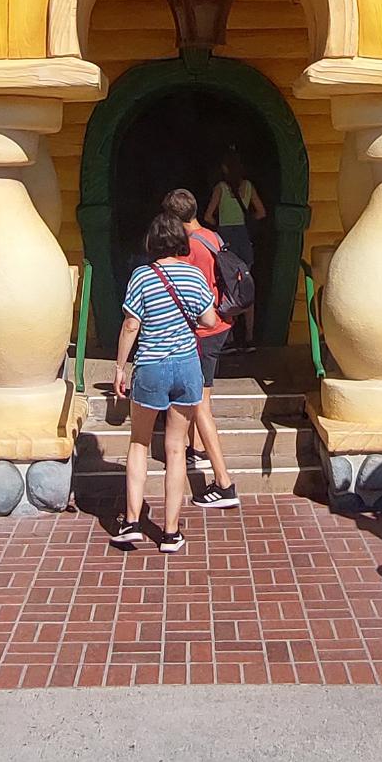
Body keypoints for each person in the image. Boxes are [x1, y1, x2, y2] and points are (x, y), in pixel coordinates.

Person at [109, 212, 214, 551]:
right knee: (176, 448)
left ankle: (132, 521)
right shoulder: (194, 275)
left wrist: (120, 367)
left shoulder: (142, 276)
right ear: (181, 241)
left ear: (151, 242)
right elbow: (209, 320)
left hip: (151, 366)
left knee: (139, 442)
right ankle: (170, 532)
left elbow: (131, 325)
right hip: (186, 365)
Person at [163, 189, 241, 510]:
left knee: (200, 404)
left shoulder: (190, 247)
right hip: (220, 325)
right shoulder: (212, 236)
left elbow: (183, 288)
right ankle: (196, 448)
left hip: (202, 330)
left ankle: (224, 483)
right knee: (202, 394)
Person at [205, 152, 266, 350]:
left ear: (224, 168)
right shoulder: (248, 186)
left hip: (227, 239)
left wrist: (219, 226)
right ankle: (249, 337)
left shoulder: (220, 188)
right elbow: (261, 212)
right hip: (243, 238)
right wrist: (246, 223)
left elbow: (208, 216)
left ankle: (229, 336)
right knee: (246, 285)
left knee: (226, 286)